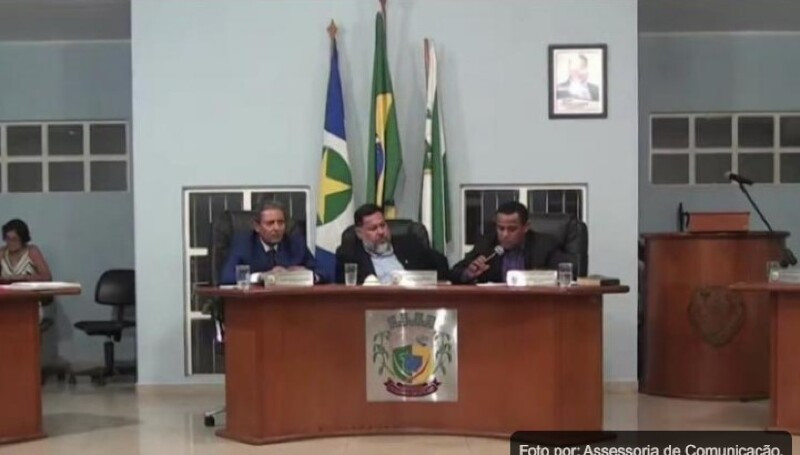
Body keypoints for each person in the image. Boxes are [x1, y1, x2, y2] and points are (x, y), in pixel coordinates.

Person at [450, 201, 569, 284]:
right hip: (496, 305)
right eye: (501, 228)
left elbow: (566, 273)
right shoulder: (487, 245)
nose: (505, 234)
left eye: (512, 229)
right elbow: (454, 273)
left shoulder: (545, 245)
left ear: (526, 227)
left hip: (536, 304)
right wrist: (468, 273)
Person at [335, 204, 448, 285]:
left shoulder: (410, 244)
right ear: (360, 233)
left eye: (383, 225)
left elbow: (442, 265)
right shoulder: (349, 256)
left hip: (413, 303)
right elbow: (342, 293)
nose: (381, 232)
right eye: (373, 228)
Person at [220, 202, 324, 284]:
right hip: (256, 302)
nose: (276, 228)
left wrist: (306, 274)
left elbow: (324, 273)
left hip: (291, 301)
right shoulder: (244, 244)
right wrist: (261, 277)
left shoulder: (295, 243)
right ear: (257, 227)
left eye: (281, 222)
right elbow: (226, 277)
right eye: (270, 223)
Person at [1, 219, 52, 284]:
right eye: (8, 238)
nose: (11, 242)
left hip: (29, 290)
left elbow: (47, 277)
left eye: (14, 239)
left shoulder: (32, 251)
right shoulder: (2, 252)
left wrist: (24, 277)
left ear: (22, 239)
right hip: (7, 290)